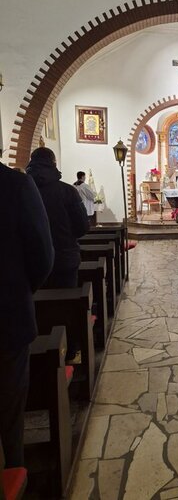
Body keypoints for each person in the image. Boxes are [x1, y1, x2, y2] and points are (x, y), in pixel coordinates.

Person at [0, 162, 54, 468]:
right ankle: (12, 469)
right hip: (6, 317)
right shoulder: (16, 185)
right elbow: (42, 256)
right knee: (8, 404)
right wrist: (22, 290)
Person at [26, 148, 89, 288]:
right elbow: (82, 227)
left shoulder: (21, 191)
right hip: (64, 258)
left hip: (32, 263)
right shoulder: (67, 191)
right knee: (66, 298)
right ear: (53, 163)